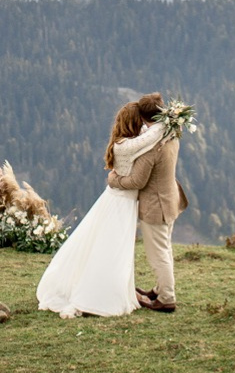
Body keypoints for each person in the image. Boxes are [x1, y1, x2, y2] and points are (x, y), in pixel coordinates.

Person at [35, 97, 169, 318]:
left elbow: (149, 136)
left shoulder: (123, 142)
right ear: (134, 124)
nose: (145, 125)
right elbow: (152, 136)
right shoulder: (126, 146)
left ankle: (110, 288)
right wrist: (168, 119)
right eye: (141, 122)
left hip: (119, 201)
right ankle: (97, 295)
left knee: (113, 249)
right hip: (120, 203)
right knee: (111, 250)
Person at [108, 93, 188, 312]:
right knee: (165, 248)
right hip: (170, 198)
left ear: (144, 119)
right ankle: (160, 289)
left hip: (156, 205)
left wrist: (114, 179)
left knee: (158, 254)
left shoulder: (151, 148)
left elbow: (137, 180)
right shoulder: (172, 133)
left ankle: (167, 299)